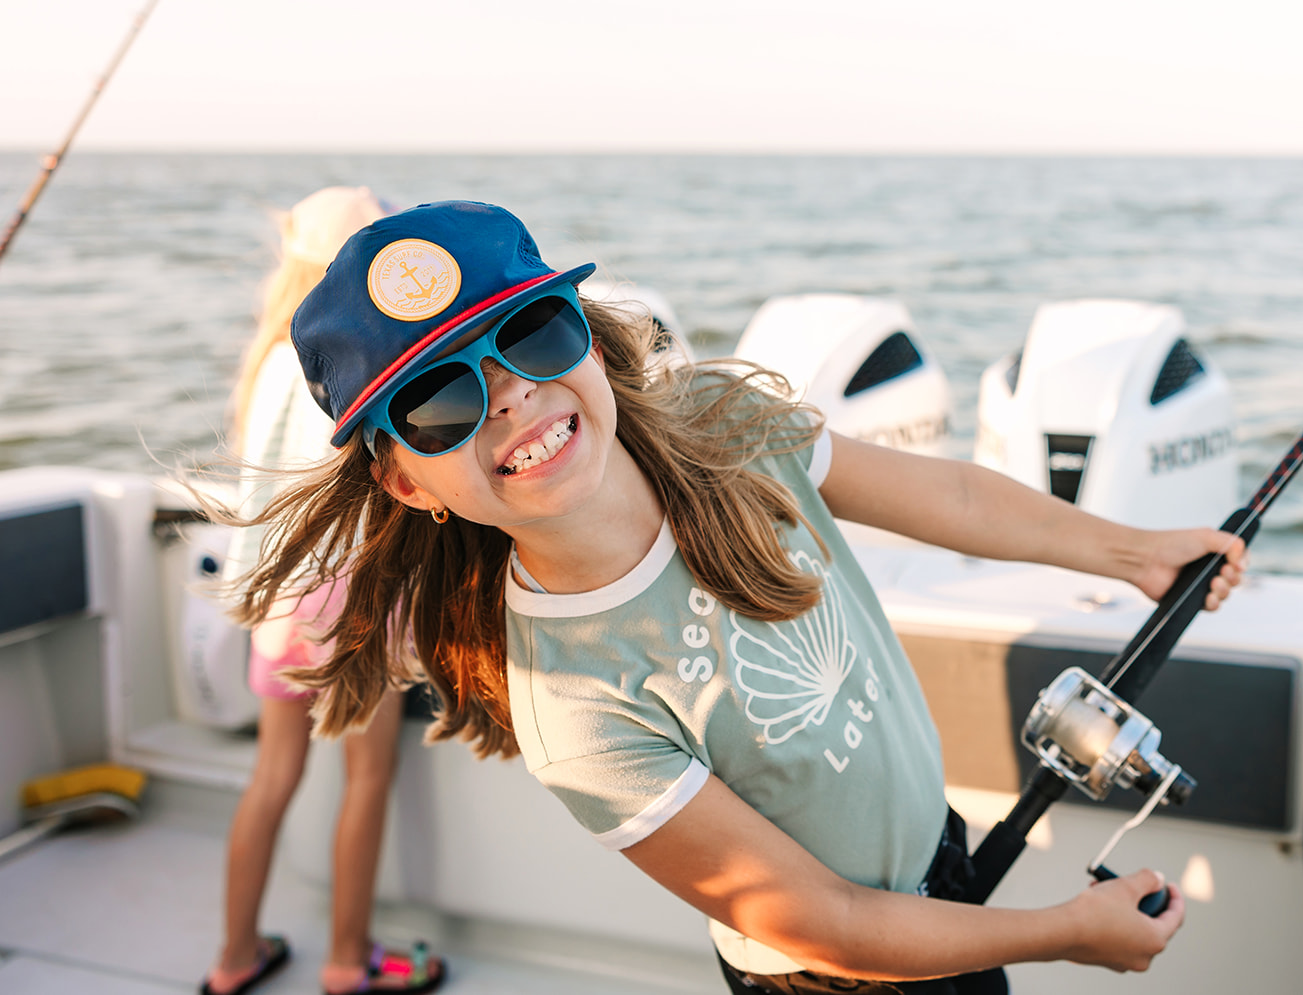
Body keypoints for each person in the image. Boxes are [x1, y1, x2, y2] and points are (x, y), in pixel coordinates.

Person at [237, 199, 1246, 994]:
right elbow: (833, 923)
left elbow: (946, 490)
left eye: (532, 333)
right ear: (408, 482)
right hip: (831, 976)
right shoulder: (576, 709)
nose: (508, 392)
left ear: (584, 335)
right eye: (438, 398)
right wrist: (1063, 932)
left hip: (934, 853)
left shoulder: (722, 419)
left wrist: (1131, 551)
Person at [201, 187, 446, 995]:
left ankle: (234, 956)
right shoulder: (360, 355)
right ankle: (348, 959)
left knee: (272, 776)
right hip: (357, 601)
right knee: (366, 777)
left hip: (278, 603)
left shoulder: (269, 358)